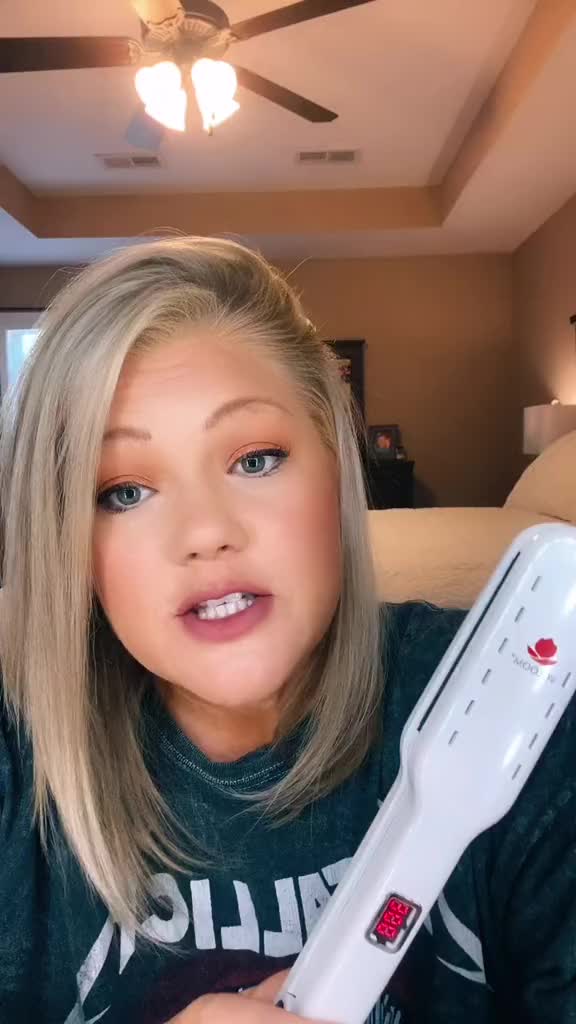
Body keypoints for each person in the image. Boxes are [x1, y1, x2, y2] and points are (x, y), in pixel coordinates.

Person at [0, 237, 574, 1024]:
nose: (206, 532)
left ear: (337, 464)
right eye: (125, 491)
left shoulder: (518, 704)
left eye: (255, 460)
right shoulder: (17, 771)